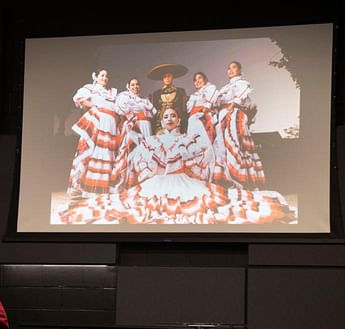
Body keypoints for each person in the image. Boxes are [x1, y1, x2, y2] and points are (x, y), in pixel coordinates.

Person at [59, 107, 294, 224]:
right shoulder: (152, 140)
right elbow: (140, 161)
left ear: (179, 120)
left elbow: (204, 159)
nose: (169, 118)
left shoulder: (188, 139)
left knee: (215, 204)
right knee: (132, 203)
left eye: (173, 116)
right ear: (160, 121)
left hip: (184, 181)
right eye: (165, 116)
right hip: (157, 182)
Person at [213, 61, 266, 190]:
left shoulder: (242, 83)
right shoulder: (224, 88)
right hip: (223, 116)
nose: (230, 70)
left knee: (237, 144)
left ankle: (241, 180)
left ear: (240, 70)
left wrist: (231, 107)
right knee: (223, 147)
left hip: (234, 116)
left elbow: (240, 99)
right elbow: (217, 102)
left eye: (234, 67)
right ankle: (228, 179)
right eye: (228, 68)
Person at [67, 69, 121, 196]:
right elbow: (79, 99)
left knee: (108, 153)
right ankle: (82, 185)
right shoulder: (90, 88)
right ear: (95, 77)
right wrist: (94, 107)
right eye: (102, 75)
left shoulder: (112, 92)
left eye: (106, 76)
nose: (104, 78)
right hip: (98, 121)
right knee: (92, 151)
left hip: (111, 125)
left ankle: (103, 187)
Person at [112, 77, 156, 190]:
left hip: (147, 125)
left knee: (147, 151)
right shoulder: (124, 97)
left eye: (137, 84)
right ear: (128, 86)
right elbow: (122, 110)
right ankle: (129, 181)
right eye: (132, 84)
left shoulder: (144, 100)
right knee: (133, 151)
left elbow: (153, 113)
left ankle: (145, 181)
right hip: (135, 125)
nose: (135, 87)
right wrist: (132, 119)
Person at [148, 63, 188, 133]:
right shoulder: (156, 93)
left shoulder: (180, 91)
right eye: (165, 77)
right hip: (160, 122)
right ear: (162, 79)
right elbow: (154, 110)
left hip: (177, 121)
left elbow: (184, 108)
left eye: (169, 76)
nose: (167, 78)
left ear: (173, 77)